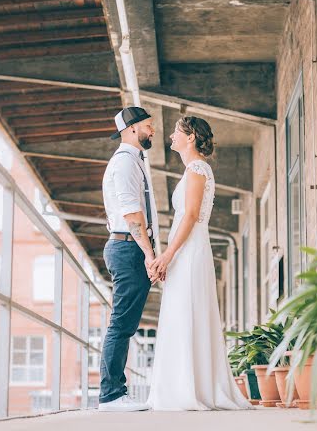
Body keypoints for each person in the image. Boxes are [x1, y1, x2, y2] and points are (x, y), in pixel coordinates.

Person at [147, 116, 254, 411]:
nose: (170, 136)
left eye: (176, 132)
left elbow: (191, 216)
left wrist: (167, 255)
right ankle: (184, 386)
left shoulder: (196, 169)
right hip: (188, 248)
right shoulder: (192, 170)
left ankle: (191, 389)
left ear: (191, 136)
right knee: (183, 311)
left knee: (187, 310)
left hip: (190, 249)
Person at [98, 106, 158, 412]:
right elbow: (132, 214)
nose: (153, 130)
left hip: (128, 246)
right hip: (127, 247)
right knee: (121, 324)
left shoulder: (133, 161)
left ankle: (113, 393)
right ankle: (111, 395)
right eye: (149, 125)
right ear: (132, 129)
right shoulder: (124, 164)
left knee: (124, 323)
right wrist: (149, 254)